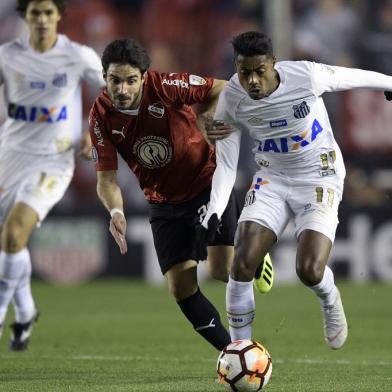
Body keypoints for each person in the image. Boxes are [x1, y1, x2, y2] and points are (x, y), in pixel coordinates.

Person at [199, 31, 392, 350]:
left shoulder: (305, 76)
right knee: (242, 263)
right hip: (272, 179)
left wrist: (389, 83)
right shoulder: (232, 97)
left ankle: (330, 298)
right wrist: (215, 212)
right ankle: (239, 351)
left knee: (309, 270)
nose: (253, 81)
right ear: (237, 67)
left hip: (320, 175)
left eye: (260, 71)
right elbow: (227, 165)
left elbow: (349, 77)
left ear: (273, 64)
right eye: (245, 72)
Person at [89, 38, 274, 352]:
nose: (122, 89)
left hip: (206, 183)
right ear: (104, 77)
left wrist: (212, 115)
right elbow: (106, 179)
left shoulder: (167, 85)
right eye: (114, 80)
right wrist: (116, 212)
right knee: (180, 287)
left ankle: (254, 254)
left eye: (130, 81)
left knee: (219, 269)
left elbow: (222, 88)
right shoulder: (100, 115)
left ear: (144, 77)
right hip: (162, 201)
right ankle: (234, 353)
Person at [0, 0, 104, 351]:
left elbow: (115, 92)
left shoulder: (78, 56)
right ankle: (26, 309)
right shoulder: (7, 56)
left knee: (14, 232)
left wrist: (94, 130)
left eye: (48, 12)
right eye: (35, 13)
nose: (42, 20)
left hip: (54, 160)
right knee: (11, 241)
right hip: (10, 155)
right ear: (25, 17)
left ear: (59, 15)